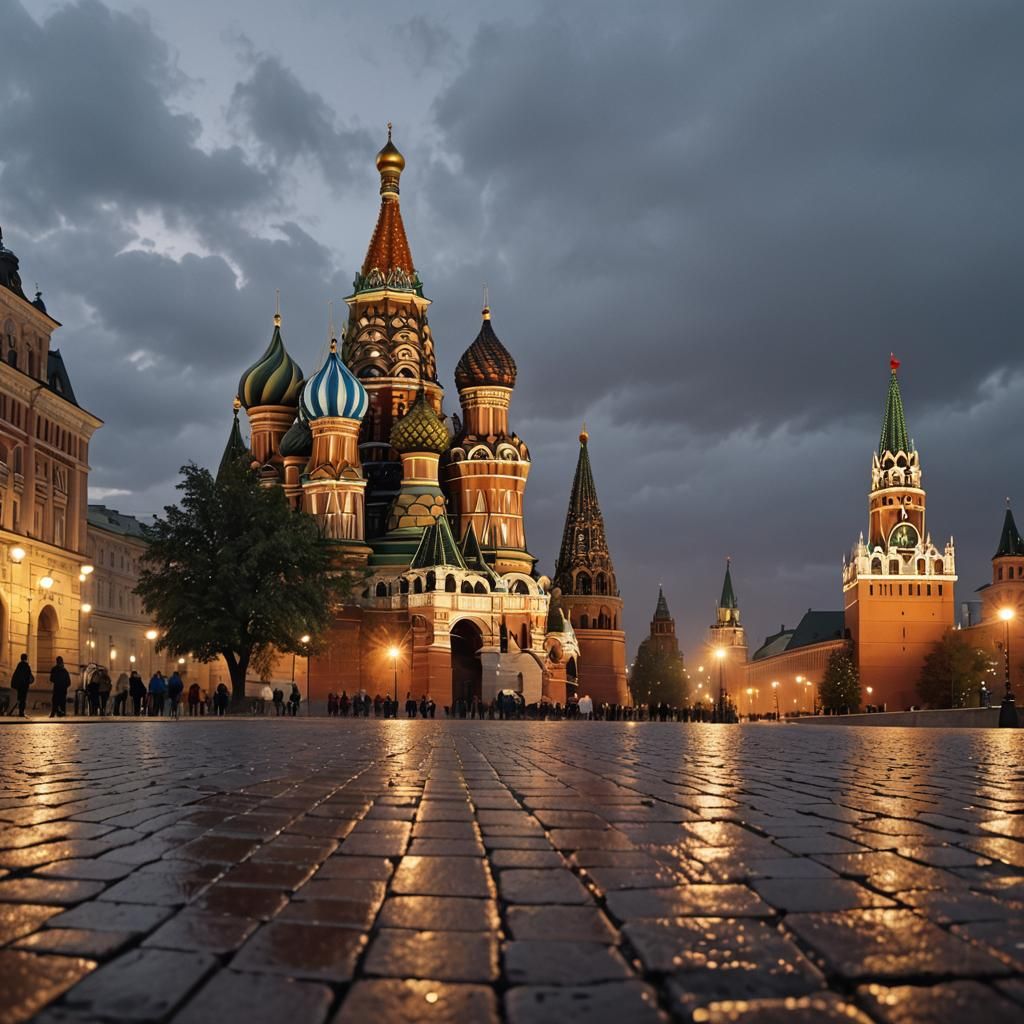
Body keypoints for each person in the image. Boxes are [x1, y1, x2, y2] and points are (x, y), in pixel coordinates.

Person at [11, 653, 34, 717]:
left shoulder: (19, 665)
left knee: (20, 698)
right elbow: (29, 676)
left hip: (19, 685)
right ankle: (21, 712)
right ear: (26, 658)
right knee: (23, 699)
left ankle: (20, 712)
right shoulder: (27, 666)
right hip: (24, 686)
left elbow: (16, 675)